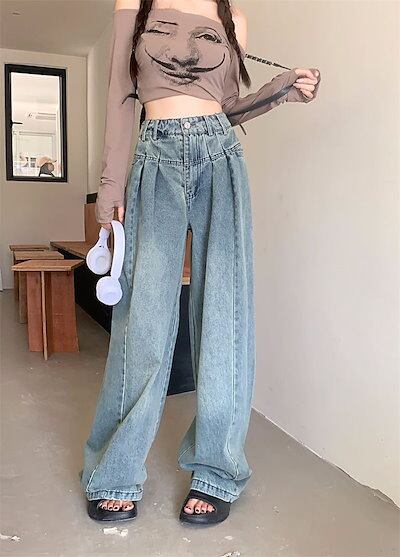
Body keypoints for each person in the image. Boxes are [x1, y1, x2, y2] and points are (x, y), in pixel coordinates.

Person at [79, 0, 321, 525]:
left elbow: (226, 106)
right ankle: (115, 471)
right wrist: (110, 188)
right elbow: (120, 96)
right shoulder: (134, 5)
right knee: (142, 321)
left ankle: (216, 470)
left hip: (220, 158)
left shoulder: (234, 19)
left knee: (224, 318)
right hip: (155, 159)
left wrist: (283, 89)